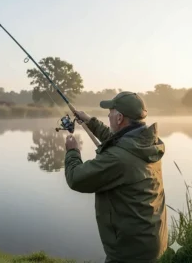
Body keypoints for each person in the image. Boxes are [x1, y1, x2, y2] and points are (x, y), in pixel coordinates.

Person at [64, 91, 168, 263]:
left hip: (130, 253)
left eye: (110, 112)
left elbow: (76, 178)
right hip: (151, 240)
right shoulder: (148, 143)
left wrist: (72, 151)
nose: (108, 115)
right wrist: (91, 122)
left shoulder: (117, 159)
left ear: (119, 118)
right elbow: (118, 140)